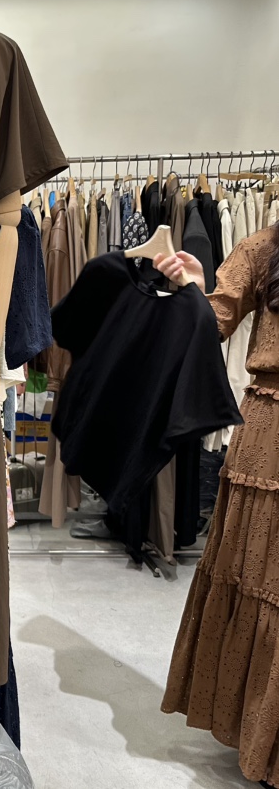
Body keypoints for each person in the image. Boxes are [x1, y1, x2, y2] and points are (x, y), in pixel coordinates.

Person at [155, 224, 279, 789]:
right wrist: (193, 289)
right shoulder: (266, 247)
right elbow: (211, 322)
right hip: (271, 439)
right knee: (263, 584)